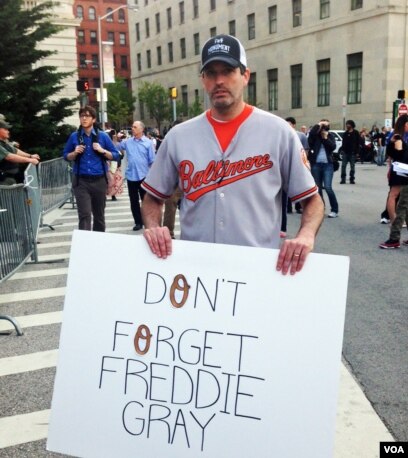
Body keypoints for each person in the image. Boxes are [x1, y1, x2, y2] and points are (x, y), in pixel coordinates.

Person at [141, 34, 324, 276]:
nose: (219, 80)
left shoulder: (278, 132)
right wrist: (153, 226)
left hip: (257, 270)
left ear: (245, 75)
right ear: (203, 80)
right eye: (211, 73)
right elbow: (153, 197)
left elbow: (312, 200)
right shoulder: (179, 136)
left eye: (228, 71)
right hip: (195, 271)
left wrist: (306, 235)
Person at [63, 105, 120, 232]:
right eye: (82, 116)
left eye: (87, 116)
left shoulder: (103, 137)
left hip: (99, 180)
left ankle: (97, 245)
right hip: (81, 181)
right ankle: (85, 245)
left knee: (99, 216)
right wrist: (74, 153)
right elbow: (66, 156)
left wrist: (102, 150)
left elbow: (116, 155)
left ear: (93, 119)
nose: (84, 119)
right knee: (84, 215)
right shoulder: (74, 137)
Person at [118, 120, 155, 231]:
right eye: (132, 127)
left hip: (144, 176)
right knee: (133, 201)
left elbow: (152, 160)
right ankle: (138, 222)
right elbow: (116, 147)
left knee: (145, 201)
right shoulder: (128, 142)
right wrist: (117, 138)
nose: (132, 128)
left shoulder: (148, 143)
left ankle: (147, 220)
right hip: (131, 176)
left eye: (134, 127)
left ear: (141, 129)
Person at [379, 114, 408, 248]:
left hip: (404, 171)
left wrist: (400, 147)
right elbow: (394, 155)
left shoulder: (400, 137)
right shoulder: (397, 136)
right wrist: (393, 144)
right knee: (402, 203)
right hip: (400, 170)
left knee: (402, 205)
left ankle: (394, 238)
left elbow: (400, 155)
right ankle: (394, 236)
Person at [308, 119, 339, 218]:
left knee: (328, 187)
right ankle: (320, 208)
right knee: (318, 188)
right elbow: (311, 134)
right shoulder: (314, 136)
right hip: (316, 165)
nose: (324, 128)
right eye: (322, 125)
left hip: (327, 165)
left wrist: (325, 138)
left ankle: (334, 210)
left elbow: (333, 147)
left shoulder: (330, 136)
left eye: (326, 125)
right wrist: (319, 124)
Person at [0, 119, 40, 185]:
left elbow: (15, 151)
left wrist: (30, 156)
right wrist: (29, 160)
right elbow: (9, 157)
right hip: (2, 181)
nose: (8, 132)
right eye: (5, 129)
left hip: (8, 178)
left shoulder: (3, 143)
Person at [106, 129, 124, 201]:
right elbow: (122, 154)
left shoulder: (107, 144)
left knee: (109, 179)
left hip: (109, 163)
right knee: (116, 179)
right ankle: (113, 195)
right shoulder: (118, 144)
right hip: (116, 163)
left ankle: (108, 193)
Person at [340, 120, 360, 184]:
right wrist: (342, 150)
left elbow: (358, 143)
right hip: (345, 152)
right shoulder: (345, 133)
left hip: (353, 153)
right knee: (343, 166)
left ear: (351, 125)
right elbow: (343, 143)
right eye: (346, 124)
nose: (347, 125)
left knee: (352, 166)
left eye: (348, 124)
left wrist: (357, 152)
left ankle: (352, 178)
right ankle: (343, 179)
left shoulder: (356, 133)